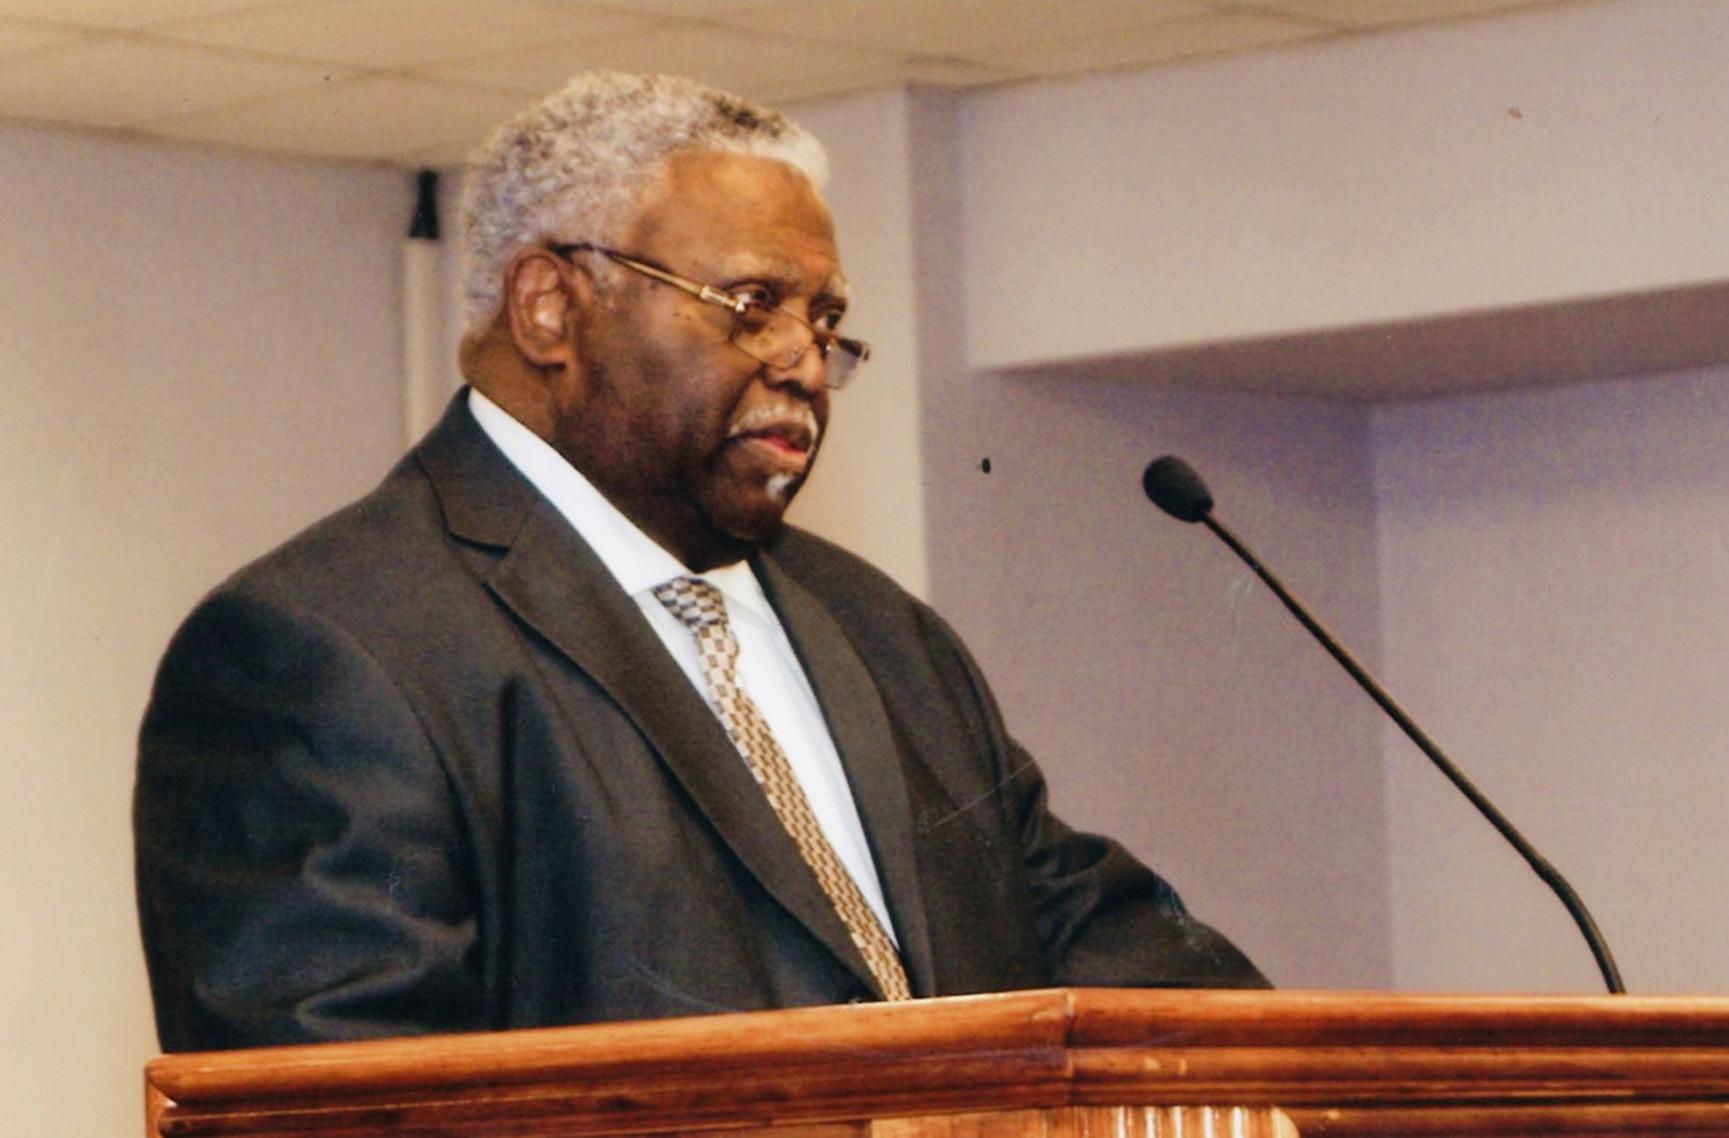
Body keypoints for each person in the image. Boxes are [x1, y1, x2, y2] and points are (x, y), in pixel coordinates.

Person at [134, 72, 1266, 1054]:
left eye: (824, 321)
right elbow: (337, 1096)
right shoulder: (329, 646)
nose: (804, 363)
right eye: (752, 304)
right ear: (549, 306)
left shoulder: (880, 631)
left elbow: (1093, 938)